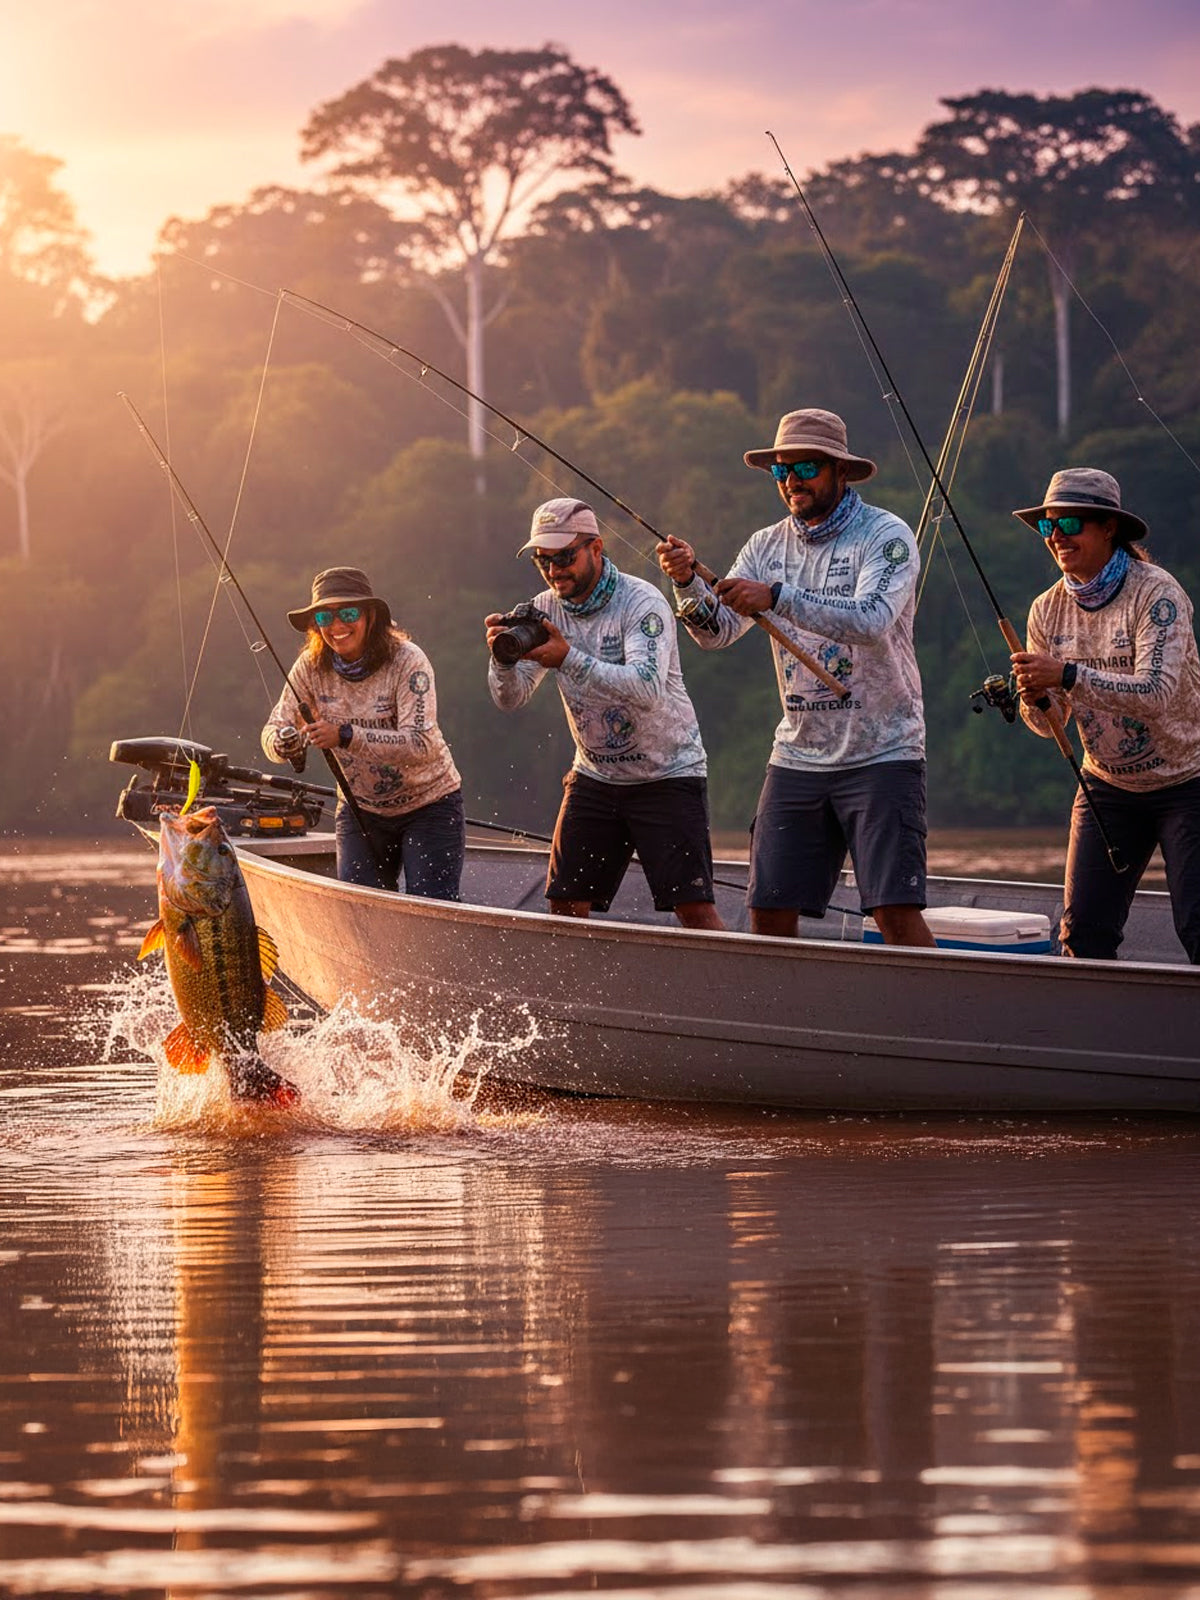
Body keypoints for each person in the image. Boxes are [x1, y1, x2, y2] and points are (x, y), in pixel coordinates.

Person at [656, 407, 935, 947]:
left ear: (839, 470)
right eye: (781, 470)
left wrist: (779, 597)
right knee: (768, 912)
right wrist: (688, 584)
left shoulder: (886, 536)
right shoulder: (764, 546)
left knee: (894, 913)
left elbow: (873, 620)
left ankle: (942, 1019)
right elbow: (715, 633)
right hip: (797, 757)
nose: (790, 481)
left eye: (804, 467)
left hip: (884, 754)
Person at [485, 498, 723, 931]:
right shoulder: (545, 609)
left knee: (693, 910)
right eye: (543, 560)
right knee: (566, 903)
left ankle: (733, 995)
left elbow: (646, 689)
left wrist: (568, 657)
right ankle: (586, 995)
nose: (554, 570)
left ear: (596, 549)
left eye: (564, 556)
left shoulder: (641, 602)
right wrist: (502, 661)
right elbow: (511, 698)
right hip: (595, 776)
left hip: (667, 773)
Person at [1010, 468, 1200, 963]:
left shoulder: (1156, 595)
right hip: (1107, 787)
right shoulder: (1045, 610)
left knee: (1197, 926)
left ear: (1107, 527)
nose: (1056, 536)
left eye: (1069, 523)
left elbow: (1156, 693)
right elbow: (1051, 723)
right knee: (1083, 935)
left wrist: (1065, 675)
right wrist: (1038, 701)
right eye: (1048, 526)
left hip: (1188, 780)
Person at [263, 566, 465, 899]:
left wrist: (345, 736)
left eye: (349, 613)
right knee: (362, 914)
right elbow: (273, 728)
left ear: (371, 616)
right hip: (361, 811)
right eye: (325, 618)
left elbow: (421, 744)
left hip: (430, 805)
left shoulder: (407, 661)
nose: (338, 626)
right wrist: (281, 743)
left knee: (432, 911)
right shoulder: (310, 667)